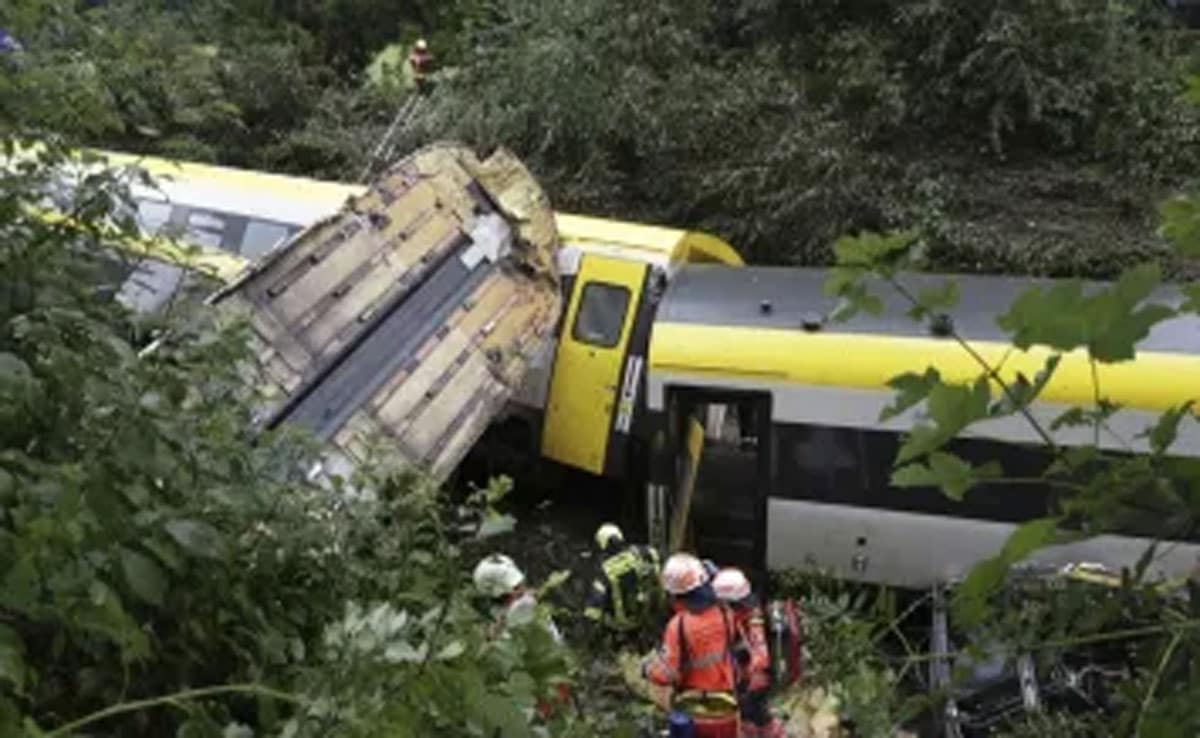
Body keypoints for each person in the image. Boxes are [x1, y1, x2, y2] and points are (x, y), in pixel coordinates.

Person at [643, 553, 739, 738]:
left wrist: (647, 668)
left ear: (675, 595)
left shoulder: (678, 625)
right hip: (727, 708)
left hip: (692, 714)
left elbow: (666, 675)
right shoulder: (726, 612)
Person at [713, 568, 785, 738]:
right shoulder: (750, 612)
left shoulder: (749, 618)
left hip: (752, 683)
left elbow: (759, 654)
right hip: (752, 682)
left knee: (756, 719)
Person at [583, 523, 662, 637]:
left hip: (624, 624)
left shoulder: (605, 571)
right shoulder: (645, 552)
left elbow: (593, 610)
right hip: (651, 612)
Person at [472, 553, 562, 642]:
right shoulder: (524, 604)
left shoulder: (494, 609)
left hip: (503, 609)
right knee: (528, 604)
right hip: (515, 612)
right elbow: (520, 591)